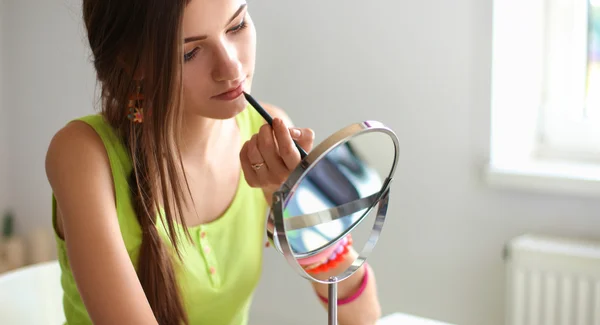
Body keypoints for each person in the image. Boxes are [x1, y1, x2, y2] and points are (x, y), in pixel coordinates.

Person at [44, 1, 382, 324]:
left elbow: (363, 316)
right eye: (190, 52)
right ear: (132, 63)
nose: (231, 67)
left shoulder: (264, 134)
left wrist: (294, 207)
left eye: (237, 25)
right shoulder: (83, 156)